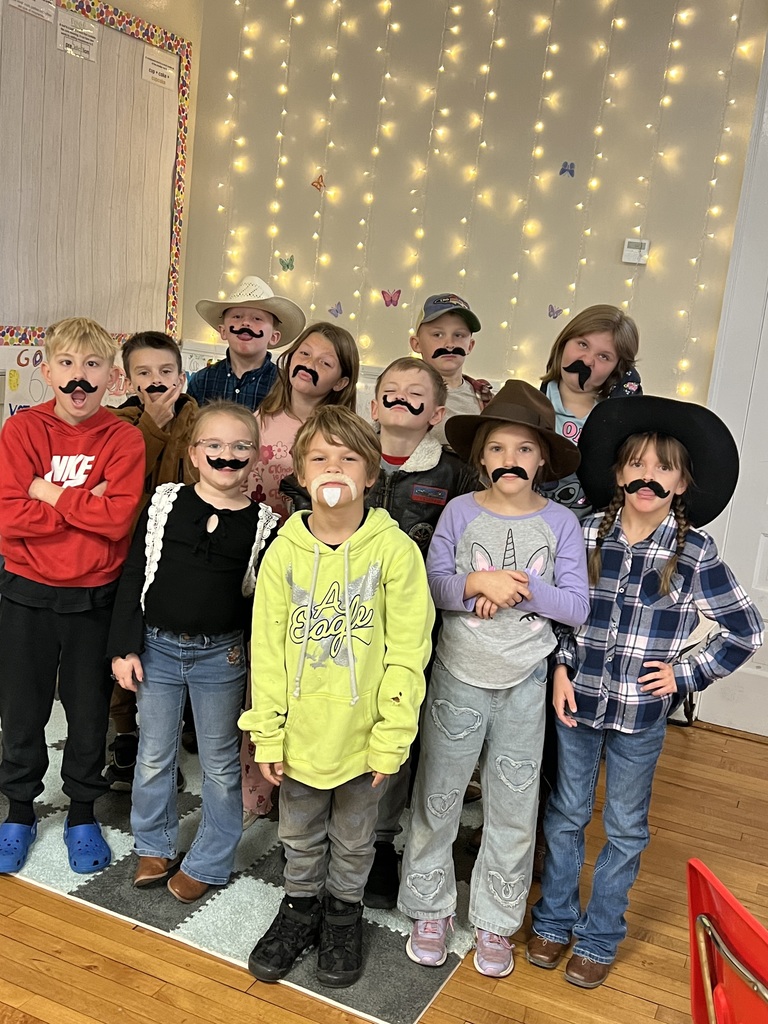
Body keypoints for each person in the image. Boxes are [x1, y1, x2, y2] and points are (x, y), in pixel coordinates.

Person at [528, 396, 763, 989]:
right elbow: (560, 616)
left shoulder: (694, 553)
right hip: (576, 701)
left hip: (641, 714)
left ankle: (601, 934)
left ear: (682, 483)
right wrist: (560, 665)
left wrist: (685, 674)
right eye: (636, 464)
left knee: (626, 826)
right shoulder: (582, 535)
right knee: (565, 815)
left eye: (663, 469)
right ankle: (554, 921)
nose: (647, 477)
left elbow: (746, 628)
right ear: (616, 473)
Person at [397, 380, 590, 978]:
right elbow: (431, 587)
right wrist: (478, 584)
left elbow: (577, 606)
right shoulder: (459, 512)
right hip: (458, 674)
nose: (511, 460)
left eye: (525, 450)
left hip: (525, 682)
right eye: (499, 449)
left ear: (543, 460)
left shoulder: (560, 523)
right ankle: (429, 907)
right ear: (481, 457)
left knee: (513, 803)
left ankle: (496, 921)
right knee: (439, 793)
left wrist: (519, 588)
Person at [241, 406, 434, 988]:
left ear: (371, 474)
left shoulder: (395, 551)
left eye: (348, 457)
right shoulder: (282, 550)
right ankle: (300, 909)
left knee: (353, 839)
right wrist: (268, 731)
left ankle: (343, 913)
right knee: (297, 833)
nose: (334, 468)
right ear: (299, 471)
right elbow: (267, 651)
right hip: (298, 734)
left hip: (364, 734)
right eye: (320, 457)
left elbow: (408, 649)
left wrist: (391, 736)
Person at [108, 401, 278, 902]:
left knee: (222, 763)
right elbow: (134, 576)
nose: (228, 455)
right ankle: (153, 843)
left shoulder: (264, 525)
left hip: (221, 657)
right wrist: (124, 647)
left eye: (240, 446)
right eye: (215, 446)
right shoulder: (164, 503)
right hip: (156, 649)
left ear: (256, 456)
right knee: (154, 753)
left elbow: (259, 609)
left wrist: (257, 677)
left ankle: (210, 857)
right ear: (194, 454)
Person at [0, 317, 145, 875]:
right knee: (21, 708)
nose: (78, 378)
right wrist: (85, 500)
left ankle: (82, 811)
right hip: (25, 593)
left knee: (88, 712)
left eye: (92, 366)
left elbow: (116, 523)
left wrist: (48, 491)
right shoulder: (22, 432)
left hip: (94, 598)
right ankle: (18, 809)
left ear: (112, 377)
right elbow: (10, 517)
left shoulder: (122, 438)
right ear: (46, 370)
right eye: (67, 364)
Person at [362, 356, 478, 909]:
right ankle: (326, 829)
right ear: (373, 403)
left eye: (416, 394)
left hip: (417, 628)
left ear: (435, 412)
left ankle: (383, 841)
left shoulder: (453, 475)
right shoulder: (351, 456)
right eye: (391, 390)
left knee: (397, 729)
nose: (402, 400)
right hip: (346, 622)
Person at [240, 321, 359, 829]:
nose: (309, 362)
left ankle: (303, 778)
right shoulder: (258, 416)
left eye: (325, 360)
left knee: (301, 668)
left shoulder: (340, 435)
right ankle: (254, 788)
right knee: (258, 669)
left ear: (340, 380)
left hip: (310, 561)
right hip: (251, 551)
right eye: (303, 351)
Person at [105, 331, 199, 792]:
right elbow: (119, 482)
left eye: (165, 372)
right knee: (127, 643)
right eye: (144, 373)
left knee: (170, 648)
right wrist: (150, 427)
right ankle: (125, 734)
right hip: (128, 551)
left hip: (181, 560)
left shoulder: (201, 421)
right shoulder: (118, 425)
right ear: (128, 379)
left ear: (181, 377)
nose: (156, 381)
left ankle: (170, 735)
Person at [539, 304, 641, 519]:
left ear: (618, 368)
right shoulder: (528, 405)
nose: (587, 360)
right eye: (582, 344)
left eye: (604, 356)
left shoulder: (623, 424)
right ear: (564, 342)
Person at [188, 276, 306, 410]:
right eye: (237, 317)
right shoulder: (201, 381)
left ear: (274, 337)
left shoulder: (286, 386)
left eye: (257, 318)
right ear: (223, 331)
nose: (245, 323)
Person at [409, 292, 492, 447]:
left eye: (459, 335)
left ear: (470, 345)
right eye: (438, 334)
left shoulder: (487, 399)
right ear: (416, 344)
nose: (449, 344)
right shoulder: (399, 395)